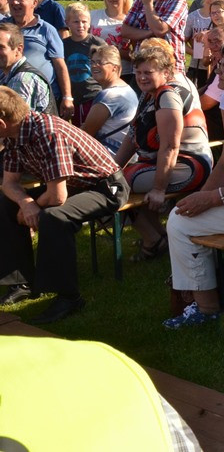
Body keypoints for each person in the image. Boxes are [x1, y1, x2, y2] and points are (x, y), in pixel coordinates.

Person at [0, 87, 130, 322]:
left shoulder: (48, 132)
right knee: (4, 202)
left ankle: (68, 297)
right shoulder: (12, 135)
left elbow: (57, 197)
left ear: (1, 122)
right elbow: (9, 183)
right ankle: (21, 281)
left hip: (106, 187)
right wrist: (26, 203)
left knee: (55, 216)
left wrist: (32, 206)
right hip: (72, 185)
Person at [163, 48, 224, 329]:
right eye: (220, 65)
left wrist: (211, 199)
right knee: (184, 212)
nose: (218, 71)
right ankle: (202, 294)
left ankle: (206, 307)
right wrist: (200, 196)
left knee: (180, 223)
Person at [116, 42, 213, 261]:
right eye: (139, 72)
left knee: (115, 185)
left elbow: (170, 145)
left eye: (148, 72)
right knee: (111, 178)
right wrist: (112, 167)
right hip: (172, 162)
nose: (141, 77)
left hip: (190, 164)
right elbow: (133, 133)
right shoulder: (150, 93)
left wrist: (159, 188)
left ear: (165, 72)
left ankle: (154, 241)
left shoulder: (168, 95)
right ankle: (160, 237)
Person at [4, 0, 72, 118]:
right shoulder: (2, 29)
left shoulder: (46, 30)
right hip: (6, 96)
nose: (15, 2)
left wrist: (67, 97)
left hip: (41, 99)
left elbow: (60, 65)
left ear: (34, 3)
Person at [121, 0, 188, 75]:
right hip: (142, 68)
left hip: (169, 68)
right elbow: (125, 30)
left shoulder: (177, 1)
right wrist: (149, 33)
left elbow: (160, 29)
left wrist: (148, 5)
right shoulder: (139, 0)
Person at [82, 45, 138, 155]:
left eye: (100, 62)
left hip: (110, 158)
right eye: (92, 62)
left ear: (115, 68)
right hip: (124, 154)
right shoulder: (126, 89)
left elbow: (86, 134)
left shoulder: (110, 96)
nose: (94, 66)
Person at [62, 3, 106, 126]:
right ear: (67, 23)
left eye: (84, 21)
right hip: (74, 96)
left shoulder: (97, 43)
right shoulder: (63, 44)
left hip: (93, 94)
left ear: (89, 22)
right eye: (76, 22)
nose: (80, 25)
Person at [0, 23, 54, 114]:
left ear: (19, 49)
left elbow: (16, 122)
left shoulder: (22, 80)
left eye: (1, 47)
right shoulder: (5, 75)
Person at [90, 0, 134, 85]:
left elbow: (135, 52)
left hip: (123, 73)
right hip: (95, 72)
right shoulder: (93, 15)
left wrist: (113, 52)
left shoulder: (131, 19)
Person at [185, 0, 224, 88]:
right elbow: (181, 42)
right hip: (197, 66)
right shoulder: (193, 17)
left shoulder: (223, 17)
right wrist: (195, 53)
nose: (212, 0)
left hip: (218, 66)